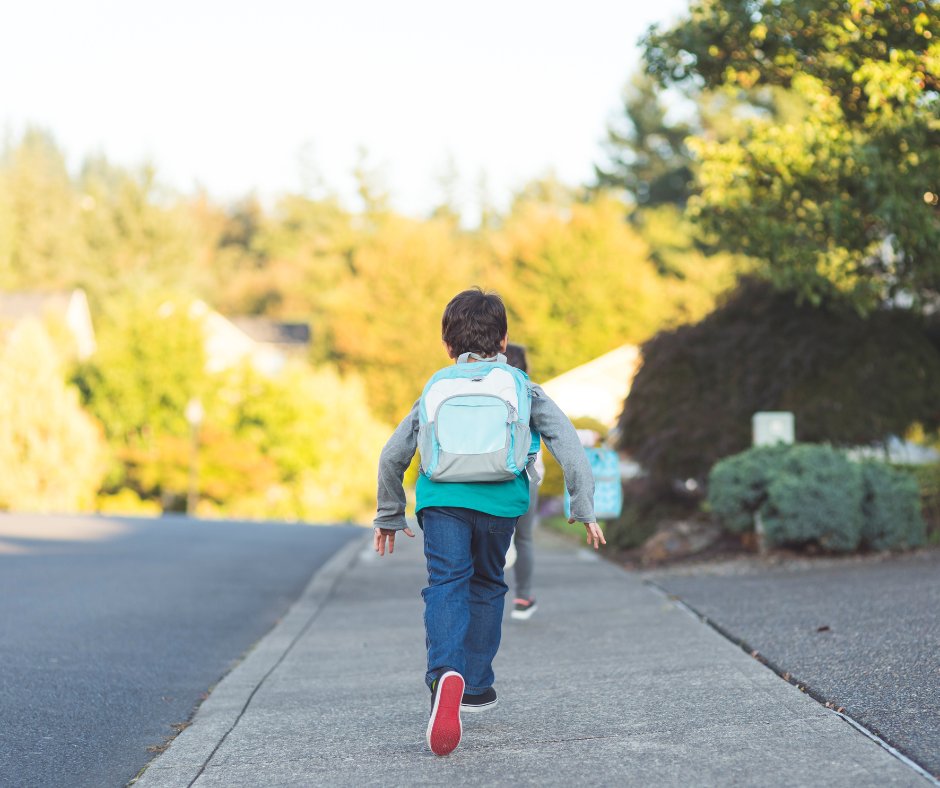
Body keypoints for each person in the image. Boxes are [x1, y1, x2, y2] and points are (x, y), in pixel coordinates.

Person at [373, 287, 604, 756]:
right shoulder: (523, 386)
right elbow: (570, 447)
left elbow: (393, 454)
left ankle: (445, 674)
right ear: (504, 341)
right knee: (486, 584)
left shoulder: (436, 386)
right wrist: (582, 508)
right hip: (500, 505)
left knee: (445, 584)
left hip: (442, 502)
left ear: (447, 344)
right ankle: (475, 685)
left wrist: (389, 513)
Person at [502, 343, 543, 621]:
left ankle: (483, 595)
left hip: (495, 476)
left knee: (490, 536)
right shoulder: (532, 393)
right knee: (525, 538)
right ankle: (523, 597)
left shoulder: (489, 391)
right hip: (528, 477)